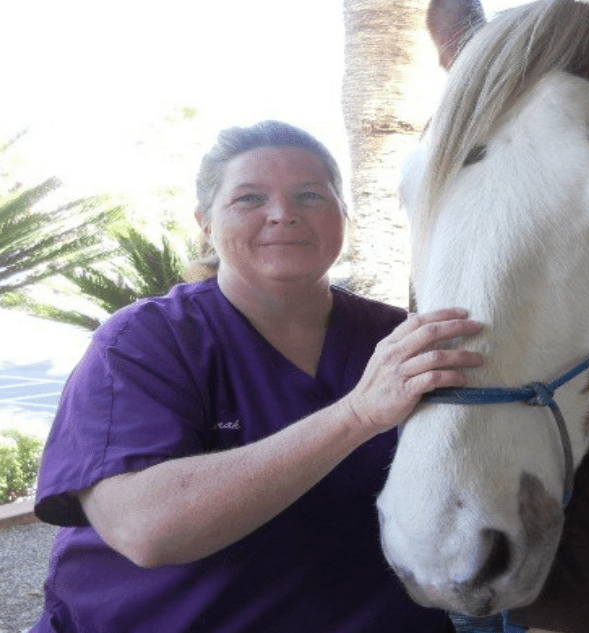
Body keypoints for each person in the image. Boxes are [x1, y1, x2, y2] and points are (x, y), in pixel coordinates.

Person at [31, 120, 485, 632]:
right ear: (205, 223)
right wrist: (357, 414)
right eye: (249, 198)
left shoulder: (400, 339)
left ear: (344, 217)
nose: (283, 215)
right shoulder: (145, 342)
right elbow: (146, 529)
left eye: (311, 195)